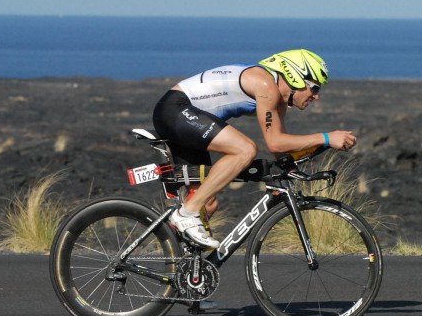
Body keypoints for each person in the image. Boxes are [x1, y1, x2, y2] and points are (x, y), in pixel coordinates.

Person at [153, 49, 357, 249]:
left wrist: (307, 159)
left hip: (188, 120)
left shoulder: (279, 100)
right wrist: (327, 137)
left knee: (207, 204)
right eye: (315, 88)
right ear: (296, 77)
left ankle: (183, 268)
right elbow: (275, 142)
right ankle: (186, 214)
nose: (316, 96)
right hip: (175, 110)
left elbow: (281, 150)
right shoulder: (266, 84)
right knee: (245, 150)